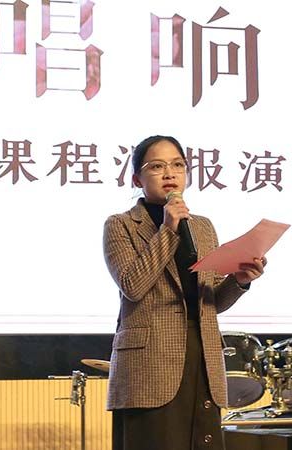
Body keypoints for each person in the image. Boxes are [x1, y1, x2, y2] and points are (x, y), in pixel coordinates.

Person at [103, 135, 266, 450]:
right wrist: (168, 229)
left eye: (178, 165)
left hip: (202, 355)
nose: (169, 173)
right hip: (150, 363)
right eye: (157, 166)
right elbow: (133, 285)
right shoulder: (121, 225)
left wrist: (240, 280)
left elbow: (212, 301)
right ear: (136, 179)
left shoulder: (202, 226)